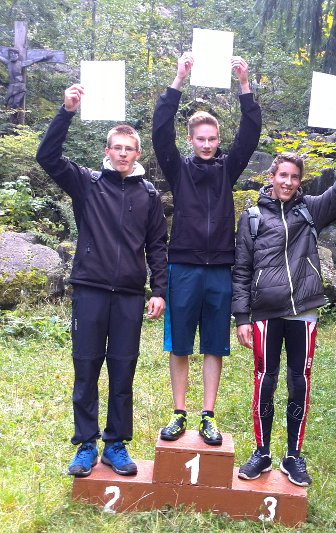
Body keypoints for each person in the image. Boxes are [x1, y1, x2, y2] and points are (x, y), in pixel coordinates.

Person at [36, 84, 168, 477]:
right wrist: (67, 111)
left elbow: (157, 246)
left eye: (130, 148)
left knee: (123, 371)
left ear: (138, 154)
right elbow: (47, 156)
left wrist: (159, 290)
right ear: (107, 151)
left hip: (129, 296)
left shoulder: (149, 195)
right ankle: (86, 445)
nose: (123, 153)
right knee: (87, 368)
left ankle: (115, 445)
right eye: (117, 147)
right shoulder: (87, 183)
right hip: (90, 291)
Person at [232, 112, 336, 485]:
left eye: (294, 177)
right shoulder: (252, 217)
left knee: (299, 382)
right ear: (271, 177)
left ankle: (293, 456)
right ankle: (262, 452)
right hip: (264, 313)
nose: (288, 182)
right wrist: (242, 318)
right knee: (264, 381)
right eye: (282, 175)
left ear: (300, 181)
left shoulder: (311, 210)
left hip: (303, 312)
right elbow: (241, 270)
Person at [152, 53, 261, 445]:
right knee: (180, 343)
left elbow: (251, 133)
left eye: (213, 139)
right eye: (201, 139)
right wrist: (178, 80)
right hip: (183, 266)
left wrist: (244, 84)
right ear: (191, 140)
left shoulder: (227, 169)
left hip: (219, 269)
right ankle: (179, 413)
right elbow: (159, 131)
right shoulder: (178, 169)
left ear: (218, 141)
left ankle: (207, 415)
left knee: (215, 344)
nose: (207, 145)